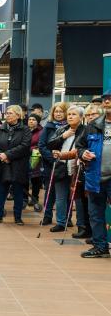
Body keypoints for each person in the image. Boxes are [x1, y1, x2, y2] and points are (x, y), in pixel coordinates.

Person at [76, 97, 111, 258]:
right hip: (96, 177)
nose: (107, 102)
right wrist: (83, 153)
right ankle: (100, 246)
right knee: (95, 214)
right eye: (105, 100)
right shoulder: (93, 125)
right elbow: (80, 146)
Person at [0, 105, 31, 225]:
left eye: (10, 113)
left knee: (18, 192)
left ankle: (18, 217)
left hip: (18, 165)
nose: (7, 115)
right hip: (3, 165)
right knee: (2, 191)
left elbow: (24, 146)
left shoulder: (25, 129)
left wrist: (7, 155)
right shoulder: (1, 129)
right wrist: (0, 155)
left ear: (18, 115)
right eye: (6, 113)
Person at [47, 105, 85, 232]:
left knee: (78, 198)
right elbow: (50, 144)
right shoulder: (62, 129)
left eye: (74, 114)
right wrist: (64, 136)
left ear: (81, 117)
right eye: (69, 114)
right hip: (61, 166)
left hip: (78, 168)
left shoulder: (85, 131)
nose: (70, 117)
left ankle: (81, 225)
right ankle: (61, 222)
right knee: (60, 197)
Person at [38, 102, 69, 225]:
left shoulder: (71, 127)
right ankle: (47, 216)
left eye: (61, 111)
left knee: (65, 193)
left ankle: (66, 217)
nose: (58, 114)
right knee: (49, 191)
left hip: (66, 163)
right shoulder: (48, 126)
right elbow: (42, 145)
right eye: (56, 111)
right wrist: (52, 158)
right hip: (50, 164)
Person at [26, 113, 44, 210]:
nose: (31, 121)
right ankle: (25, 198)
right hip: (25, 155)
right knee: (25, 177)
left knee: (35, 178)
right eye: (30, 119)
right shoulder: (26, 130)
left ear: (37, 122)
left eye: (33, 119)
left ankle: (34, 197)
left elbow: (40, 145)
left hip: (36, 155)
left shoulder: (41, 132)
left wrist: (30, 149)